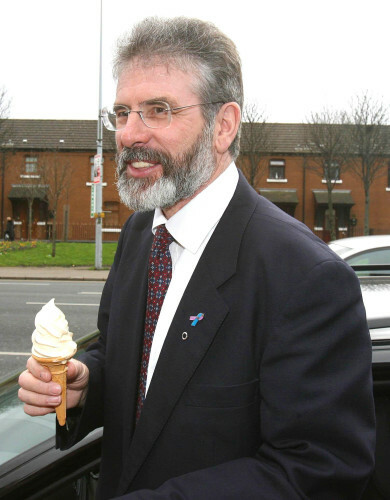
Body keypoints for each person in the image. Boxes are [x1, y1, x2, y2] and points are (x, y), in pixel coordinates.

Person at [18, 17, 375, 499]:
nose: (129, 134)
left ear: (223, 125)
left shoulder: (306, 276)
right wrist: (87, 385)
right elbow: (133, 366)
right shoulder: (140, 234)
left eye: (158, 110)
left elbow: (320, 471)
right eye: (122, 112)